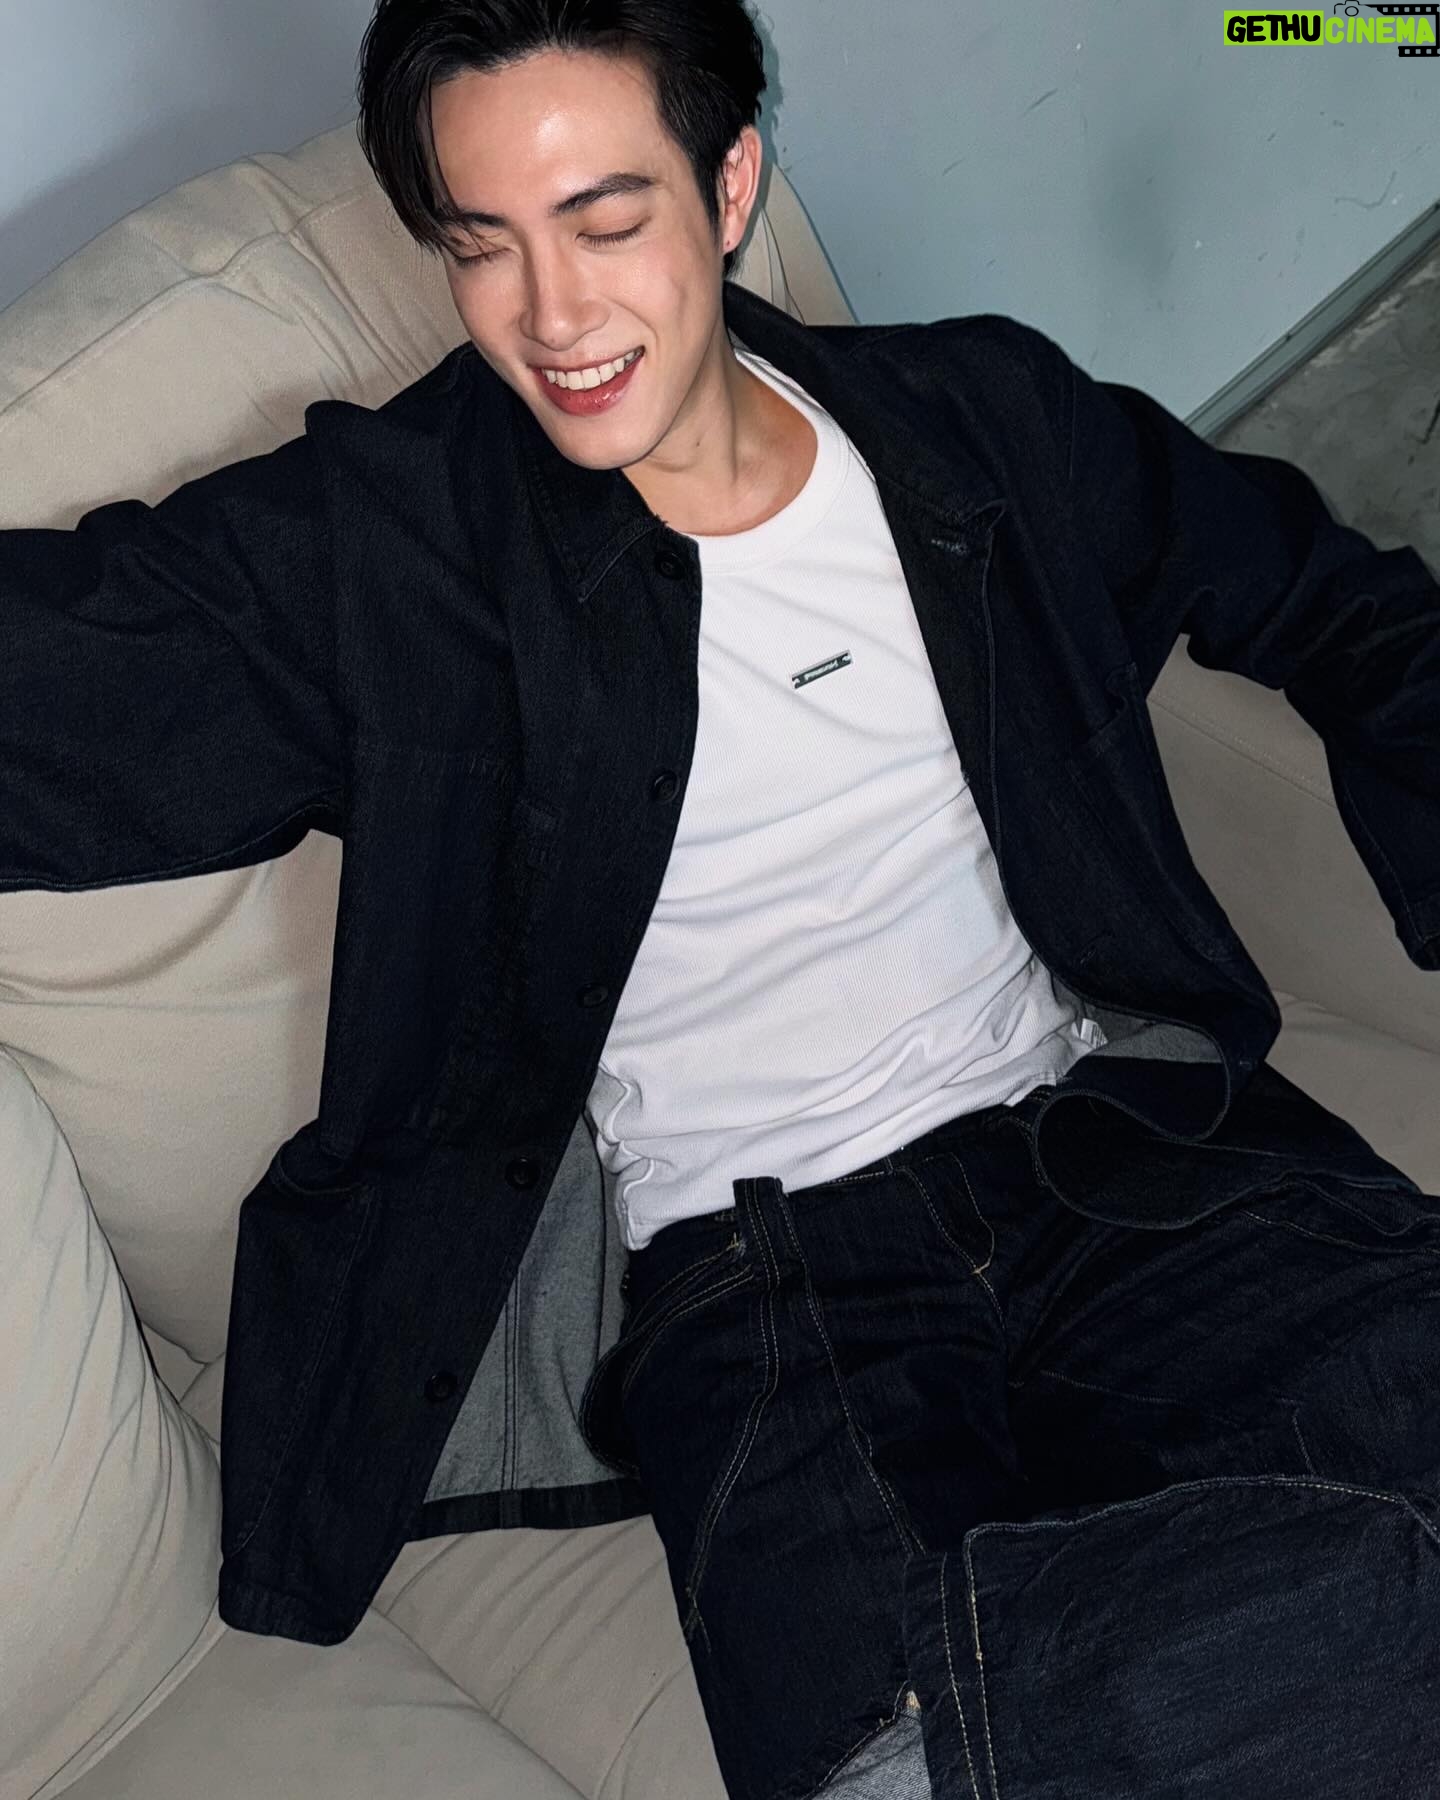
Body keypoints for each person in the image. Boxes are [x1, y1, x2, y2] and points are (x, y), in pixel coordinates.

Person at [4, 2, 1438, 1795]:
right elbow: (50, 683)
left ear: (731, 180)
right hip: (771, 1298)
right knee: (898, 1763)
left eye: (606, 220)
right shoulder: (395, 550)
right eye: (483, 245)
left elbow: (1334, 598)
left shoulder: (982, 425)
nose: (553, 316)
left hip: (1134, 1163)